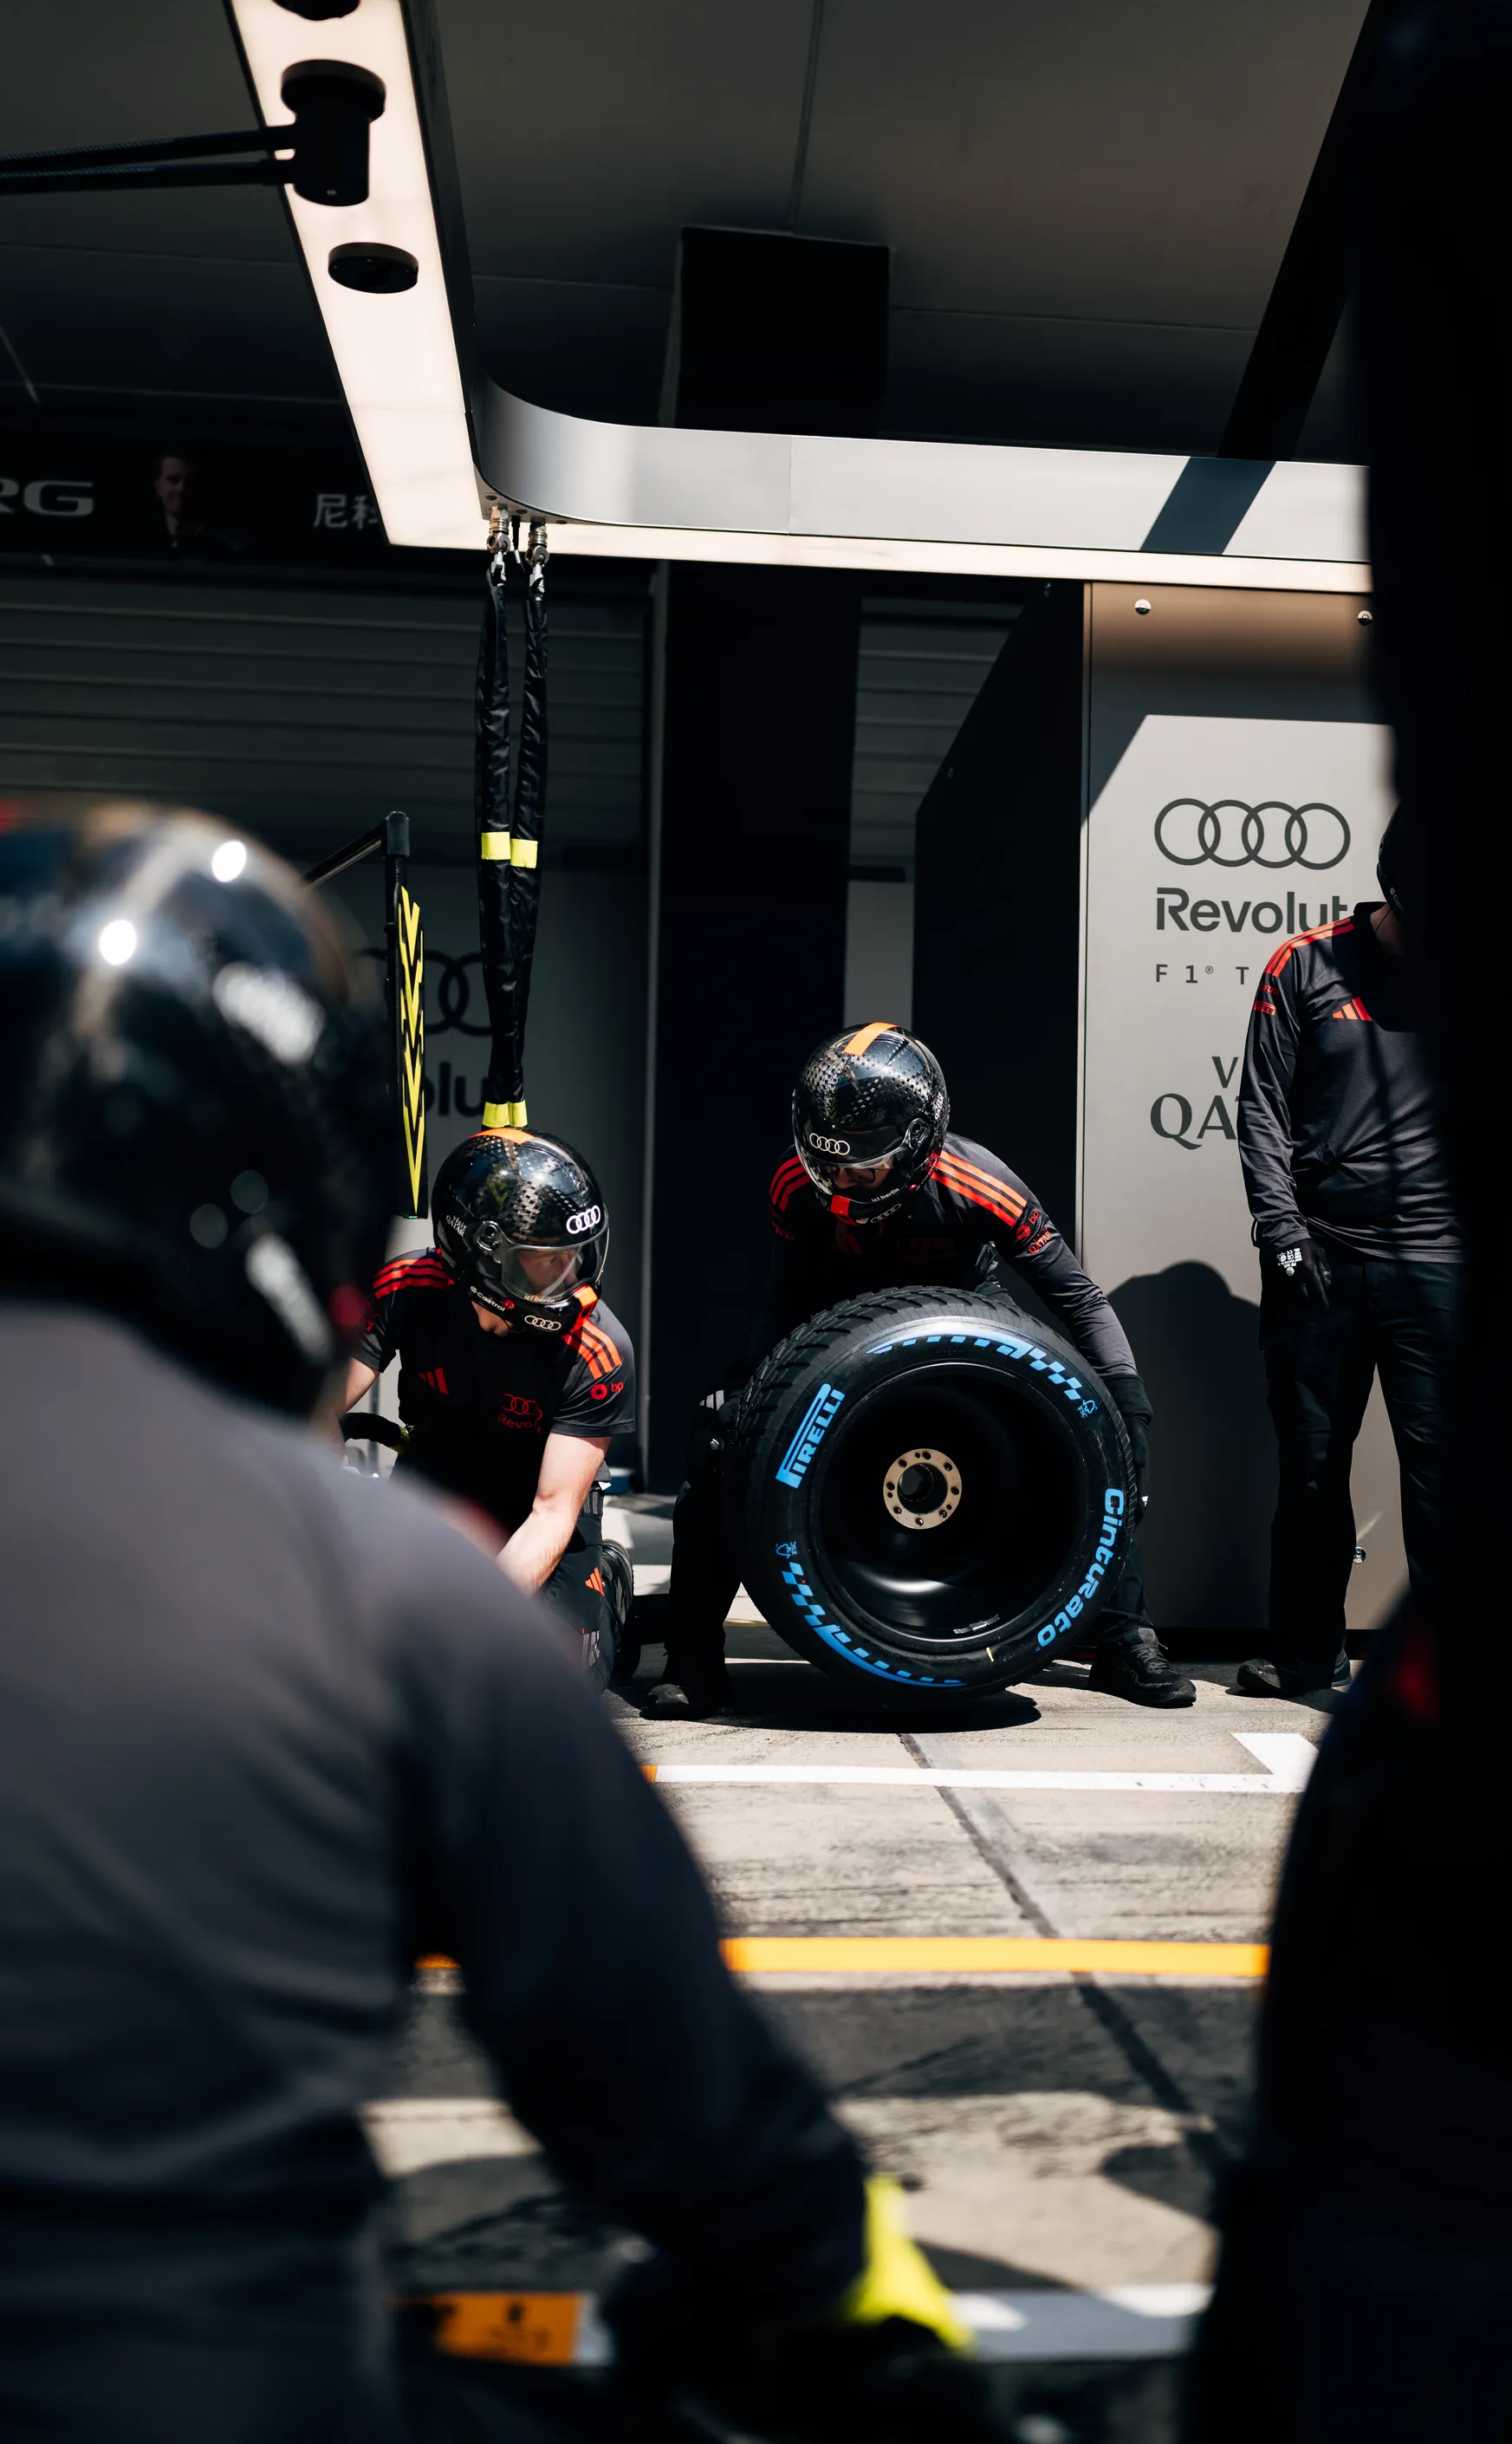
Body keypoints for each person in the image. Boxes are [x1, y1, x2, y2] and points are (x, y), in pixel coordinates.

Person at [0, 804, 980, 2443]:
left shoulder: (563, 1372)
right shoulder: (367, 1591)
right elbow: (687, 2108)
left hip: (508, 1527)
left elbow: (550, 1513)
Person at [649, 1022, 1191, 1717]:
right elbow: (782, 1302)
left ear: (917, 1143)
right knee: (718, 1448)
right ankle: (694, 1656)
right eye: (831, 1166)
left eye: (863, 1169)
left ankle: (1125, 1641)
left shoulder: (979, 1181)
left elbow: (1079, 1300)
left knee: (1087, 1445)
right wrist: (747, 1403)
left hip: (965, 1314)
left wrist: (1127, 1406)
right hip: (830, 1316)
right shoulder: (793, 1182)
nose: (843, 1187)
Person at [1234, 806, 1461, 1699]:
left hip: (1441, 1267)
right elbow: (1259, 1113)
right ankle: (1302, 1660)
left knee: (1444, 1476)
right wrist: (1282, 1238)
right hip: (1320, 1258)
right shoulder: (1306, 964)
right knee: (1314, 1467)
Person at [342, 1127, 636, 1687]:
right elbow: (309, 1410)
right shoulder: (404, 1288)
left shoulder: (601, 1351)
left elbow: (551, 1515)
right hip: (432, 1494)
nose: (569, 1279)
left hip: (541, 1509)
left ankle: (607, 1583)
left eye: (574, 1258)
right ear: (479, 1255)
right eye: (543, 1262)